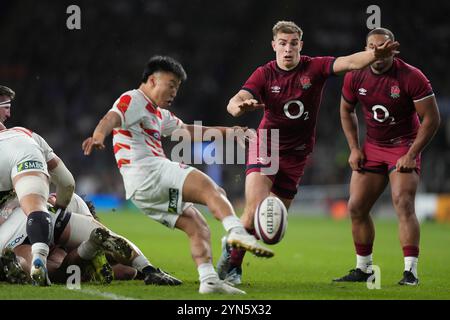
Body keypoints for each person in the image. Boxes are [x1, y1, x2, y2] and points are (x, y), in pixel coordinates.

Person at [217, 20, 400, 285]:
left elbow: (348, 62)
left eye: (293, 43)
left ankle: (230, 246)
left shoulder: (314, 67)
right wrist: (239, 108)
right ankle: (233, 267)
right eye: (282, 44)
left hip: (297, 154)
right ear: (274, 46)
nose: (288, 49)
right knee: (257, 208)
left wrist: (375, 54)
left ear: (300, 45)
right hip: (267, 144)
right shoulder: (265, 73)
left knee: (268, 227)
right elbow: (234, 102)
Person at [82, 55, 274, 294]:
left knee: (197, 225)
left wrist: (233, 131)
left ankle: (209, 279)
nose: (174, 92)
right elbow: (111, 117)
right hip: (149, 170)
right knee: (210, 189)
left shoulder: (159, 114)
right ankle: (236, 231)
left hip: (141, 191)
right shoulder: (133, 99)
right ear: (152, 80)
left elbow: (187, 130)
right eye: (171, 84)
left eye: (177, 87)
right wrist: (99, 135)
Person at [333, 28, 440, 285]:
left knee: (402, 202)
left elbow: (432, 119)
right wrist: (355, 148)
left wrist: (412, 153)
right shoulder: (355, 74)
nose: (378, 52)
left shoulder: (412, 77)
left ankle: (410, 272)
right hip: (372, 145)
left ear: (393, 48)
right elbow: (346, 110)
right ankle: (364, 269)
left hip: (403, 146)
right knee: (356, 207)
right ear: (366, 48)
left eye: (383, 47)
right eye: (372, 47)